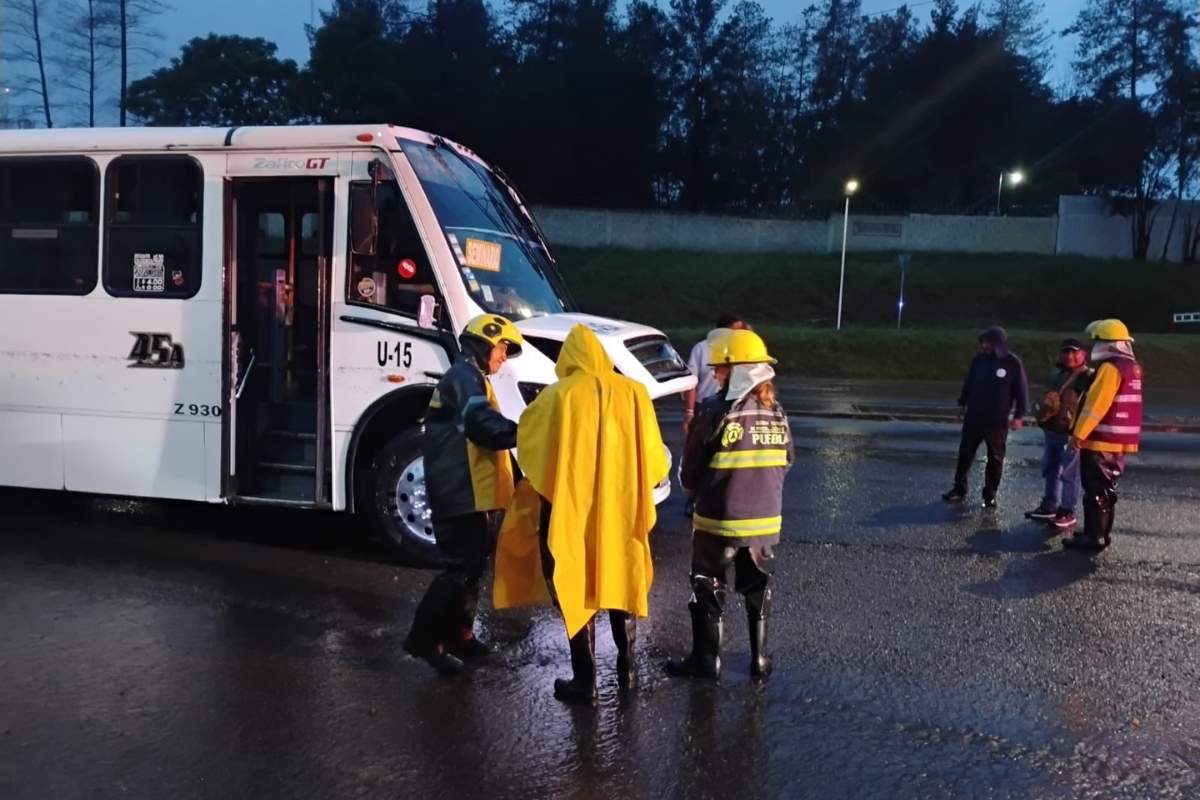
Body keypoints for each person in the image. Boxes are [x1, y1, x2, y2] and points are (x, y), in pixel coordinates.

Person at [492, 325, 668, 706]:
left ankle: (585, 682)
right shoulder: (635, 393)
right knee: (623, 581)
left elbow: (531, 444)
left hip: (571, 513)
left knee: (576, 584)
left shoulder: (559, 396)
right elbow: (655, 460)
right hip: (621, 511)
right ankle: (629, 671)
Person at [666, 329, 793, 681]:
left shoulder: (713, 411)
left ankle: (707, 661)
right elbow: (787, 461)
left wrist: (693, 490)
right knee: (758, 588)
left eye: (720, 369)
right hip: (765, 524)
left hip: (718, 522)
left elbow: (690, 474)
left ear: (735, 370)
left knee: (708, 586)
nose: (715, 375)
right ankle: (760, 661)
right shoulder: (778, 413)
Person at [403, 314, 524, 676]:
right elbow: (482, 425)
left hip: (472, 492)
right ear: (484, 343)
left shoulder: (471, 377)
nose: (503, 357)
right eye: (502, 348)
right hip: (459, 490)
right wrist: (529, 430)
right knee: (459, 569)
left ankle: (461, 636)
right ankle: (424, 641)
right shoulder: (463, 378)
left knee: (471, 568)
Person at [1064, 319, 1143, 551]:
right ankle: (1100, 533)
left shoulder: (1110, 368)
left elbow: (1096, 405)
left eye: (1096, 341)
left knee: (1096, 488)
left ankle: (1094, 536)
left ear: (1108, 343)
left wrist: (1078, 435)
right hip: (1118, 440)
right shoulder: (1131, 366)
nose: (1092, 346)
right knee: (1106, 488)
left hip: (1101, 439)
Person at [942, 326, 1029, 508]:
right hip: (974, 416)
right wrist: (962, 402)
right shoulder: (979, 360)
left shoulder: (1012, 363)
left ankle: (990, 494)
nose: (983, 345)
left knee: (995, 458)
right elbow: (969, 382)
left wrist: (1019, 415)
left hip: (997, 420)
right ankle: (959, 488)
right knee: (965, 453)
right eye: (983, 342)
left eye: (987, 342)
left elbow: (1021, 391)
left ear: (997, 342)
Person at [682, 313, 749, 516]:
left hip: (733, 407)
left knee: (727, 456)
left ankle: (725, 497)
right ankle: (692, 499)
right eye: (734, 330)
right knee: (697, 456)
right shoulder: (702, 349)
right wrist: (689, 412)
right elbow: (691, 382)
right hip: (705, 408)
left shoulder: (741, 349)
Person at [1025, 338, 1092, 529]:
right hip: (1051, 430)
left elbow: (1090, 406)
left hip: (1071, 433)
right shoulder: (1056, 374)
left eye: (1074, 352)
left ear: (1083, 354)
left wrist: (1080, 433)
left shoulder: (1087, 377)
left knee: (1070, 473)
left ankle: (1067, 510)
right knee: (1050, 468)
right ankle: (1049, 506)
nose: (1069, 356)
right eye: (1066, 352)